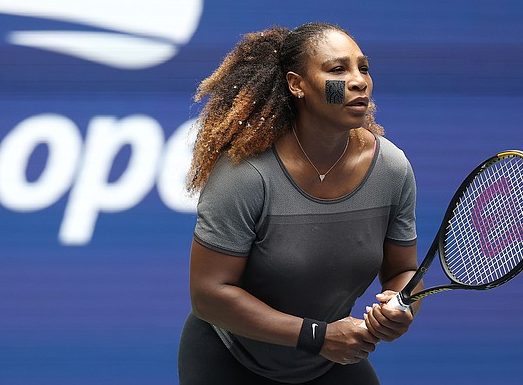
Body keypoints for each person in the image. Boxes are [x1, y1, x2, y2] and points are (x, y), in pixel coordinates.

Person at [178, 22, 423, 385]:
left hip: (328, 361)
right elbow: (209, 295)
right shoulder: (247, 175)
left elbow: (403, 270)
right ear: (297, 85)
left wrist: (402, 307)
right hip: (230, 361)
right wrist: (318, 337)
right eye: (338, 70)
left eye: (364, 68)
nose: (359, 81)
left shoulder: (391, 168)